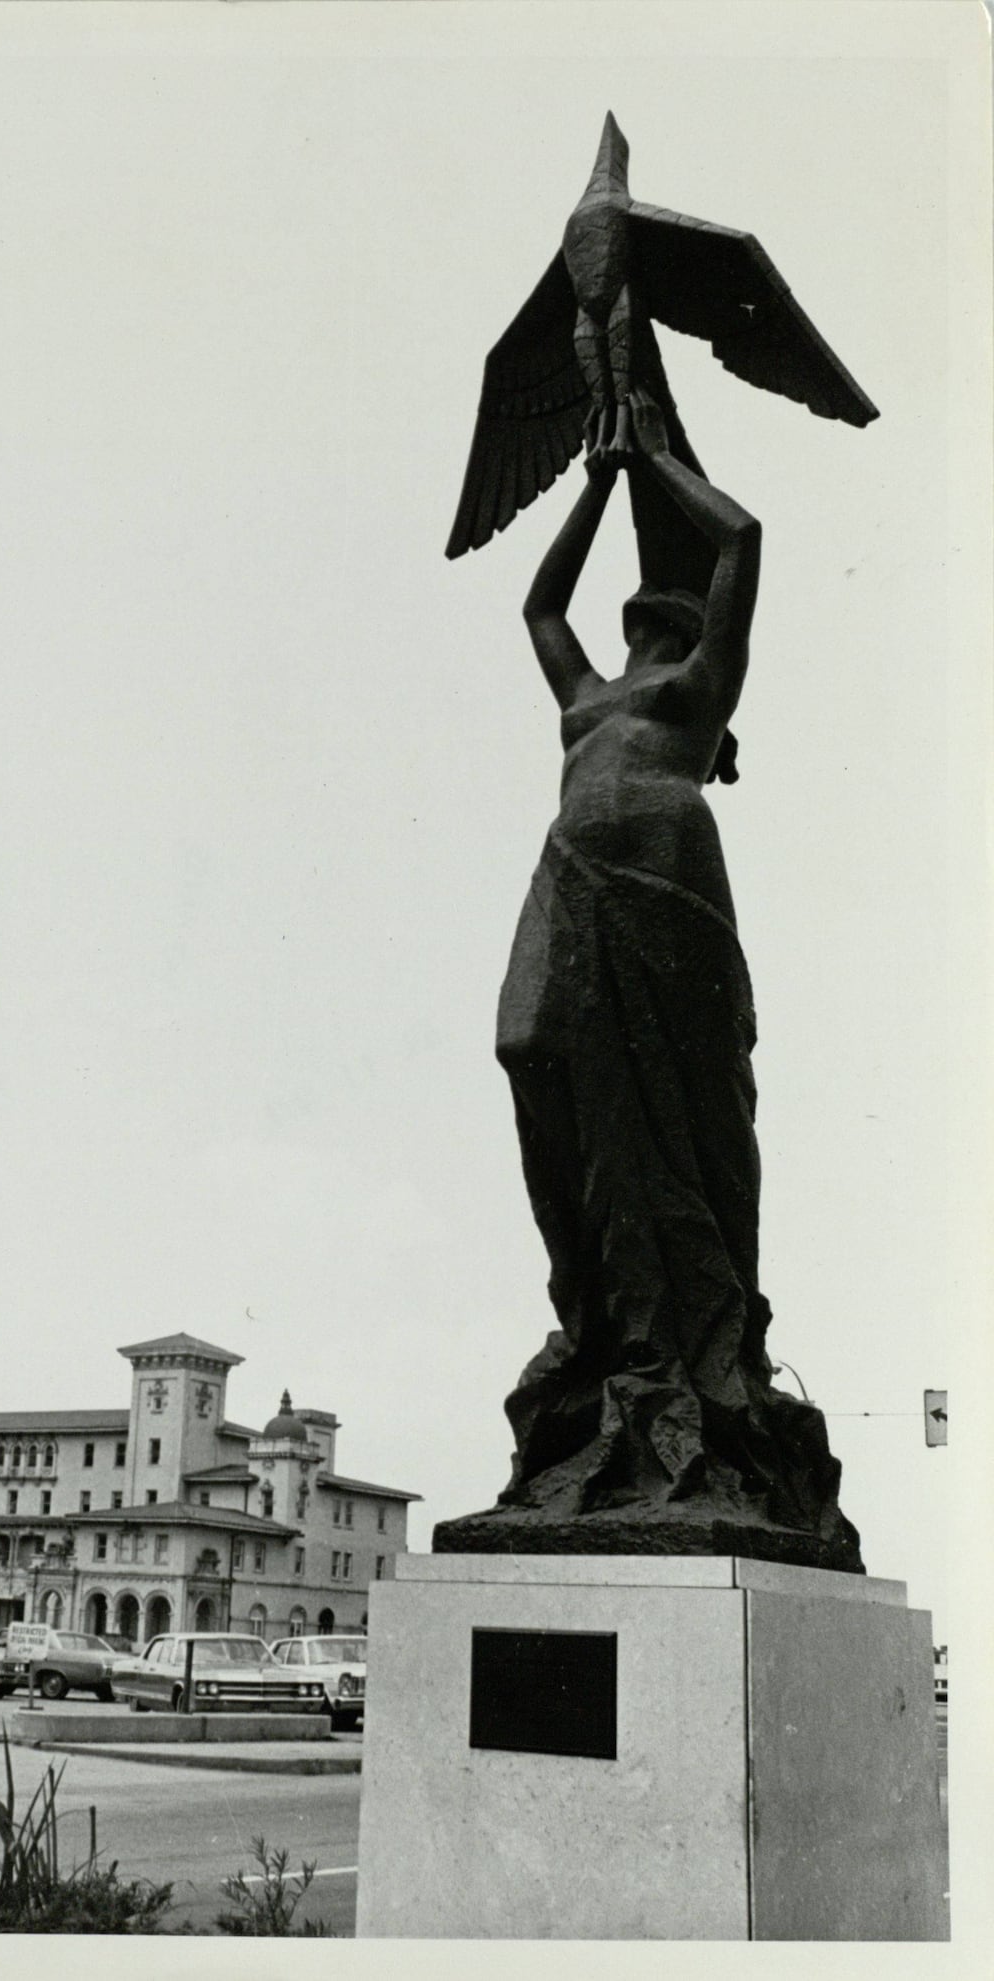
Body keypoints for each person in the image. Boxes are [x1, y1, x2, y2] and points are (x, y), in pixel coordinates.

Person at [488, 388, 858, 1559]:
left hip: (668, 904)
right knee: (530, 1054)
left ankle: (679, 1353)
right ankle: (597, 1326)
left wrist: (654, 454)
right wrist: (595, 480)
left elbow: (742, 538)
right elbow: (538, 603)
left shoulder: (699, 684)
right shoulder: (586, 695)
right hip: (570, 889)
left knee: (675, 1121)